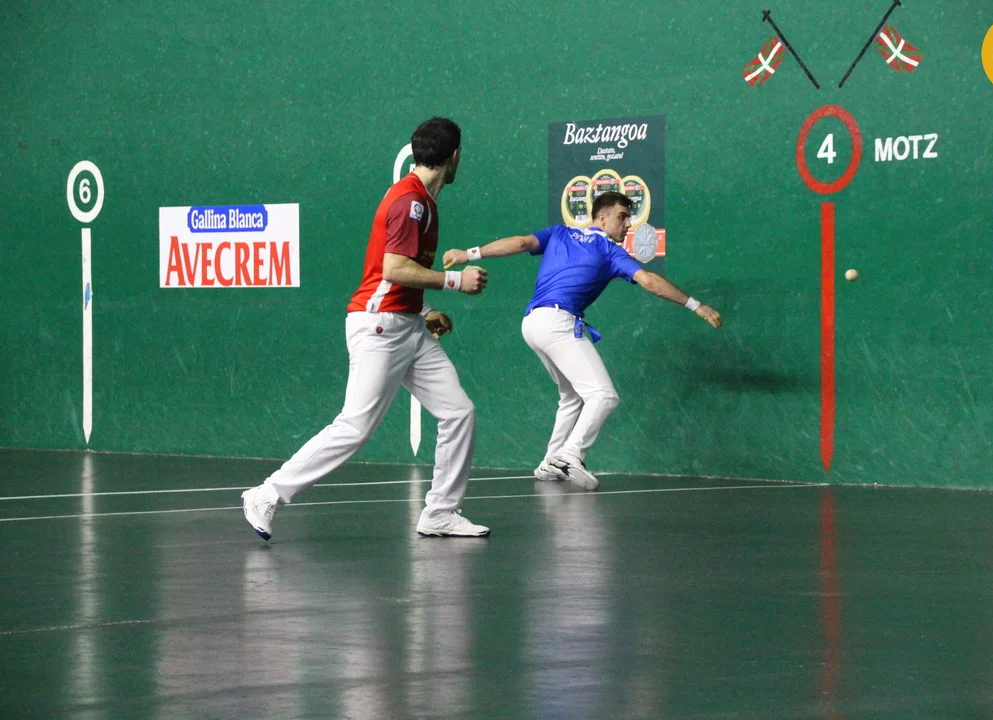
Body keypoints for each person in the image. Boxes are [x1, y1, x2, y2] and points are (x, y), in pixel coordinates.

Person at [242, 117, 492, 540]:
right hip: (380, 327)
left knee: (458, 411)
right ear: (454, 156)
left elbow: (396, 273)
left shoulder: (424, 203)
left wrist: (426, 309)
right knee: (355, 427)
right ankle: (266, 495)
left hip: (408, 325)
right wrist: (455, 281)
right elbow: (394, 269)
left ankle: (440, 513)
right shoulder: (408, 202)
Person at [443, 192, 722, 491]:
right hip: (557, 323)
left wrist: (468, 254)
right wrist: (696, 305)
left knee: (572, 397)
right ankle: (570, 455)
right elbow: (649, 281)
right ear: (601, 217)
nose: (628, 224)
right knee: (604, 396)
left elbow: (522, 243)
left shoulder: (559, 232)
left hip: (532, 323)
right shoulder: (610, 251)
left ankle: (550, 461)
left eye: (629, 218)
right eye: (622, 217)